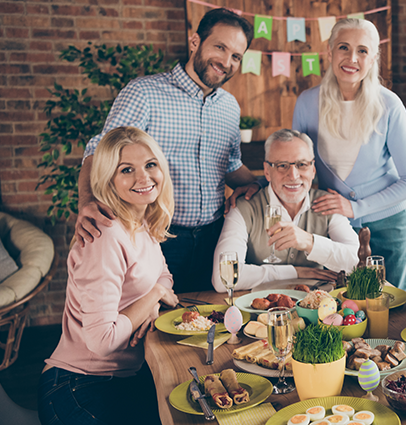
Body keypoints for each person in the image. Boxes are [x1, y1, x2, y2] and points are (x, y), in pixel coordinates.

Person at [75, 8, 260, 293]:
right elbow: (99, 151)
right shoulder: (144, 93)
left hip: (213, 236)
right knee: (153, 324)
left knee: (206, 324)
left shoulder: (230, 107)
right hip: (156, 236)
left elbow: (230, 165)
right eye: (220, 47)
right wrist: (86, 201)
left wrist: (258, 186)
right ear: (195, 42)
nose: (226, 61)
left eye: (236, 56)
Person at [38, 127, 179, 425]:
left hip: (121, 379)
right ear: (107, 179)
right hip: (78, 385)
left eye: (150, 165)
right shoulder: (106, 234)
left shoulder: (141, 223)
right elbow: (102, 341)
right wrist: (153, 296)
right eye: (127, 169)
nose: (144, 178)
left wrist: (150, 305)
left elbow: (165, 277)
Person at [292, 18, 406, 291]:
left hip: (393, 226)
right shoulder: (307, 103)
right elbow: (297, 164)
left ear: (373, 57)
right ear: (330, 52)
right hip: (338, 226)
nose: (352, 58)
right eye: (344, 47)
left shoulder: (390, 105)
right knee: (343, 304)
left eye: (362, 50)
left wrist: (356, 208)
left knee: (392, 307)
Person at [212, 129, 359, 292]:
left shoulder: (327, 204)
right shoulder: (243, 208)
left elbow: (357, 262)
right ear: (267, 171)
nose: (293, 175)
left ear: (313, 169)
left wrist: (310, 243)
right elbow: (221, 278)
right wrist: (295, 272)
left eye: (302, 164)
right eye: (282, 166)